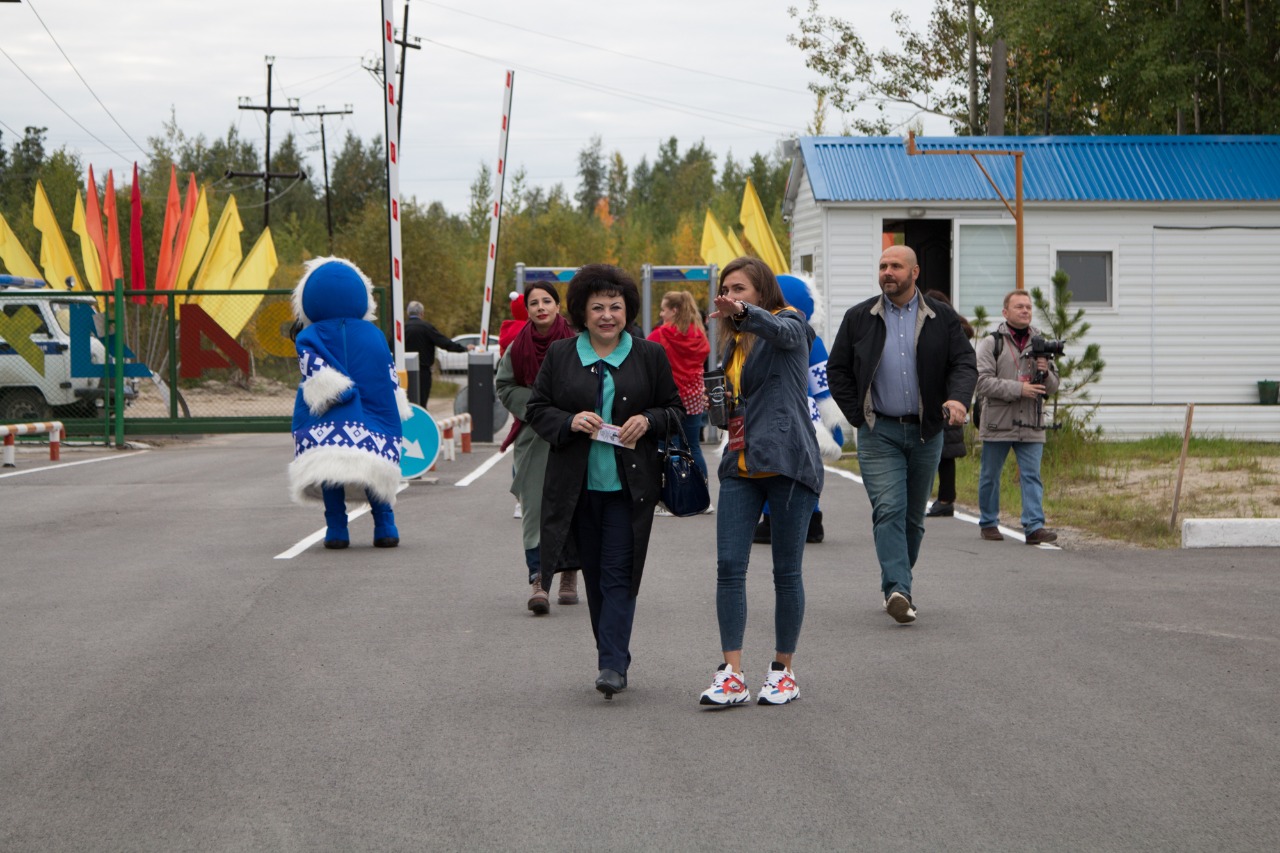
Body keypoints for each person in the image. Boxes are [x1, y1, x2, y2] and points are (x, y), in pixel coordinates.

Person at [525, 264, 683, 699]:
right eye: (597, 308)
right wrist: (569, 421)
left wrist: (648, 420)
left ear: (627, 310)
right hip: (576, 489)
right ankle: (613, 655)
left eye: (615, 306)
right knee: (594, 577)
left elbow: (674, 409)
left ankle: (611, 664)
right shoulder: (561, 355)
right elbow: (537, 409)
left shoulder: (649, 355)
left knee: (618, 574)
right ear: (582, 312)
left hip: (629, 490)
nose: (607, 315)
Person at [826, 245, 976, 624]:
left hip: (927, 432)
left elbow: (963, 362)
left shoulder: (941, 317)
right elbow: (837, 370)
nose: (887, 272)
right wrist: (858, 415)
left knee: (912, 518)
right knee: (889, 508)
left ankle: (897, 584)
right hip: (879, 431)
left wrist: (958, 399)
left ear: (915, 272)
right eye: (882, 266)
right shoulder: (859, 317)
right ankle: (898, 589)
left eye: (895, 266)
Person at [698, 257, 823, 707]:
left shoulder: (791, 321)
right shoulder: (734, 342)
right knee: (729, 568)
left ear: (762, 291)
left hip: (788, 462)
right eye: (726, 289)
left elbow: (784, 332)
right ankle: (731, 674)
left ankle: (783, 671)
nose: (730, 296)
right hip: (741, 464)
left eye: (740, 288)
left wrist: (745, 313)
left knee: (786, 573)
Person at [288, 257, 413, 549]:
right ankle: (385, 525)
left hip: (328, 414)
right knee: (374, 466)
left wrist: (335, 390)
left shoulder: (308, 335)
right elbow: (388, 372)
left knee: (329, 469)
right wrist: (397, 401)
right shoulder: (374, 335)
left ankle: (337, 529)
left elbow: (313, 370)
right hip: (374, 411)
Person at [495, 282, 579, 614]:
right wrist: (540, 406)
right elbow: (504, 386)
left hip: (574, 436)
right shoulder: (518, 347)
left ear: (558, 306)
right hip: (533, 437)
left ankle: (569, 574)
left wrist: (567, 412)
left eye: (547, 301)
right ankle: (539, 580)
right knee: (534, 508)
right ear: (527, 310)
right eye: (534, 303)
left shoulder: (578, 344)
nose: (541, 307)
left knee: (573, 505)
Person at [975, 290, 1060, 545]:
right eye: (1019, 306)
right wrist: (1019, 388)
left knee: (1032, 475)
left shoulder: (1042, 343)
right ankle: (988, 522)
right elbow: (982, 382)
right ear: (1005, 312)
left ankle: (1034, 526)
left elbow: (1054, 387)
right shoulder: (992, 343)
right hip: (998, 421)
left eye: (1028, 307)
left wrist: (1046, 373)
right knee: (990, 476)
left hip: (1032, 421)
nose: (1025, 310)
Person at [646, 290, 711, 480]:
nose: (661, 314)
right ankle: (701, 490)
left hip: (670, 400)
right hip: (693, 398)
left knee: (669, 447)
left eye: (663, 309)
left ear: (674, 310)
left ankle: (674, 493)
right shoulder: (699, 334)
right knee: (693, 447)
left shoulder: (661, 335)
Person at [923, 290, 975, 518]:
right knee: (946, 455)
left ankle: (944, 499)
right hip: (954, 397)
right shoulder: (959, 328)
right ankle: (946, 499)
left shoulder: (944, 331)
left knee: (941, 454)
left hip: (944, 397)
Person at [404, 300, 466, 405]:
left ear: (408, 313)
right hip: (423, 371)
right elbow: (444, 342)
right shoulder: (426, 327)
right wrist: (462, 348)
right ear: (422, 313)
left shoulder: (401, 328)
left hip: (404, 371)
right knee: (421, 401)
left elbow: (390, 346)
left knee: (406, 401)